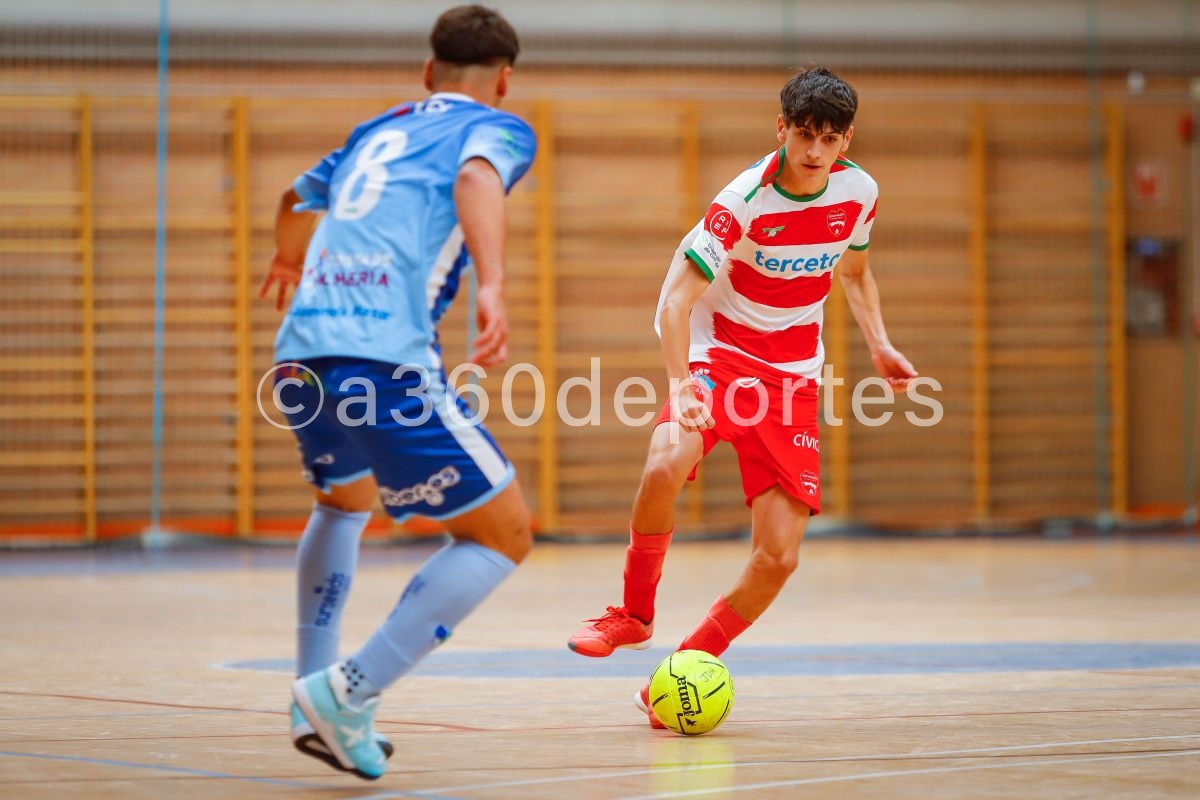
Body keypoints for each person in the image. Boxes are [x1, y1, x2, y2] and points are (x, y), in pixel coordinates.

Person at [566, 66, 917, 727]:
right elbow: (675, 302)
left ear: (847, 140)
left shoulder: (860, 192)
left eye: (830, 138)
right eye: (804, 134)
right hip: (720, 359)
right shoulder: (743, 201)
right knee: (663, 463)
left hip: (792, 379)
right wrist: (684, 384)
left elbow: (857, 273)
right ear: (781, 128)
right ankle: (633, 615)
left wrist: (879, 343)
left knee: (778, 558)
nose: (815, 151)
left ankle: (680, 668)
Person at [257, 5, 536, 779]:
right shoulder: (497, 128)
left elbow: (294, 199)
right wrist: (494, 285)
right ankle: (347, 691)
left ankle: (308, 689)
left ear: (427, 71)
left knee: (342, 503)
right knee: (503, 533)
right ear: (503, 81)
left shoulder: (375, 129)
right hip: (381, 361)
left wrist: (287, 261)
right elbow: (478, 176)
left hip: (300, 359)